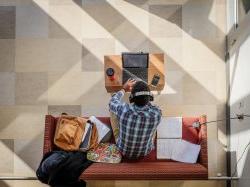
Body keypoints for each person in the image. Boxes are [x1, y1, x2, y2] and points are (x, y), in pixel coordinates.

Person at [109, 79, 162, 159]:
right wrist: (145, 96)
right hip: (145, 152)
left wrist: (124, 89)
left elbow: (112, 102)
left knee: (112, 111)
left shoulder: (123, 110)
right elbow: (152, 106)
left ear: (131, 98)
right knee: (154, 125)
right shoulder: (157, 114)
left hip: (123, 150)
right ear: (150, 97)